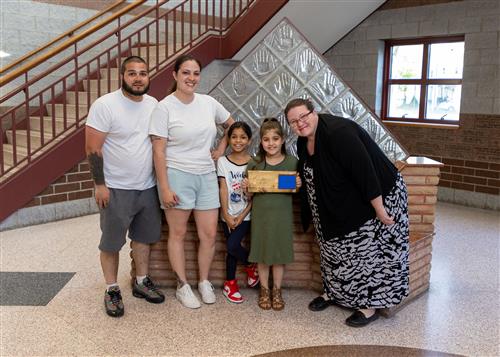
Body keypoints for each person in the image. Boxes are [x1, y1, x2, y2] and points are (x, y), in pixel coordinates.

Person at [284, 98, 409, 327]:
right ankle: (335, 293)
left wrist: (380, 210)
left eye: (303, 116)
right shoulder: (304, 141)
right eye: (294, 121)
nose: (300, 123)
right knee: (333, 250)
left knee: (365, 253)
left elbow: (365, 172)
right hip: (334, 205)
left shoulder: (338, 133)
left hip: (376, 195)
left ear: (314, 112)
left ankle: (367, 306)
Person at [149, 54, 235, 309]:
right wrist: (164, 187)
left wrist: (220, 149)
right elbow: (158, 151)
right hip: (177, 175)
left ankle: (204, 281)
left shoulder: (208, 103)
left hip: (206, 175)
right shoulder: (164, 107)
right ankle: (182, 285)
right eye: (186, 72)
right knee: (178, 233)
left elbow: (232, 125)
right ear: (175, 75)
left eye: (196, 73)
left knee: (208, 234)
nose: (191, 78)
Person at [85, 56, 165, 318]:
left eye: (143, 73)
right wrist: (100, 184)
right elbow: (93, 148)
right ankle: (111, 289)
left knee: (143, 238)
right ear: (123, 76)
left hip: (147, 187)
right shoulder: (105, 105)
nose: (138, 78)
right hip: (115, 188)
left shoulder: (153, 104)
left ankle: (141, 281)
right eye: (132, 73)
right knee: (111, 243)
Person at [243, 118, 301, 311]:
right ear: (261, 142)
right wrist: (246, 188)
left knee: (278, 254)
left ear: (283, 139)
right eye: (266, 139)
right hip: (261, 217)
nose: (271, 143)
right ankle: (264, 289)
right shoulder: (255, 163)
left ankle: (277, 290)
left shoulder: (293, 163)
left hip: (282, 217)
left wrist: (298, 185)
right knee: (262, 254)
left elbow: (295, 188)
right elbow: (249, 194)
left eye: (275, 138)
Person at [217, 122, 259, 304]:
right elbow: (223, 189)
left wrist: (241, 216)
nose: (238, 141)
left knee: (233, 246)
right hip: (226, 214)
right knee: (231, 250)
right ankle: (231, 284)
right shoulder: (222, 162)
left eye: (242, 137)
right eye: (234, 137)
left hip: (246, 215)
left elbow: (255, 195)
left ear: (249, 140)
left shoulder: (255, 163)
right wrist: (226, 215)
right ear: (229, 139)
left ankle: (250, 265)